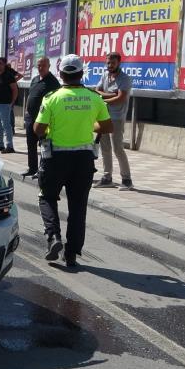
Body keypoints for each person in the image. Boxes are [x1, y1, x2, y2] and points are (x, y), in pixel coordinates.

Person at [34, 54, 113, 267]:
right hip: (84, 160)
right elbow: (107, 127)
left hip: (56, 159)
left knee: (47, 196)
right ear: (82, 73)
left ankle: (53, 237)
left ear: (60, 74)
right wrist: (90, 126)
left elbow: (38, 129)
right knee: (78, 208)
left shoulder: (52, 97)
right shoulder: (94, 97)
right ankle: (71, 254)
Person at [95, 52, 134, 190]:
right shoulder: (105, 75)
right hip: (104, 116)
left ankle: (127, 179)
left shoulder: (125, 78)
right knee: (105, 148)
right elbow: (97, 90)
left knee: (118, 148)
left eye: (112, 63)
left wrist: (103, 99)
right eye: (108, 63)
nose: (109, 65)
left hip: (117, 118)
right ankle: (107, 178)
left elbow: (121, 98)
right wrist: (111, 94)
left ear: (119, 63)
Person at [22, 57, 61, 178]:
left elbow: (56, 102)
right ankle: (32, 168)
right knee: (31, 144)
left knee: (44, 145)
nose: (40, 68)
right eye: (38, 65)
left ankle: (43, 170)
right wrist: (26, 112)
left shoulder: (53, 82)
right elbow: (30, 96)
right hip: (31, 119)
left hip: (44, 120)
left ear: (49, 66)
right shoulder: (34, 79)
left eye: (43, 65)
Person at [0, 57, 18, 153]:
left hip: (5, 105)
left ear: (4, 65)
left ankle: (10, 146)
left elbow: (15, 90)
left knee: (6, 125)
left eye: (0, 63)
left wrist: (12, 102)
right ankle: (0, 144)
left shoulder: (9, 76)